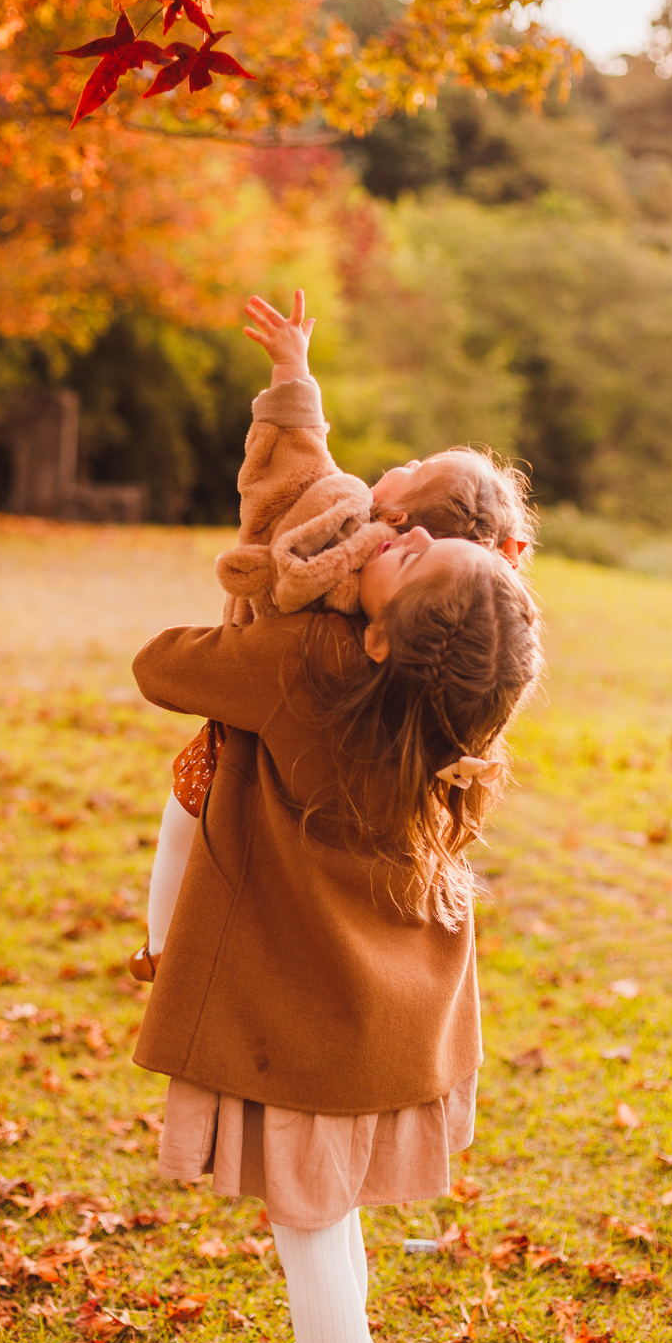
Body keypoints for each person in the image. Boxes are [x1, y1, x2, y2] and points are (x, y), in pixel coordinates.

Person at [130, 475, 543, 1343]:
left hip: (318, 1023)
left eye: (413, 552)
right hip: (382, 1016)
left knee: (310, 1227)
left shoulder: (311, 668)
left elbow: (161, 665)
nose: (399, 535)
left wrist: (289, 596)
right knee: (325, 1218)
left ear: (381, 639)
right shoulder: (439, 705)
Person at [132, 290, 534, 983]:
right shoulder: (446, 685)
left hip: (239, 800)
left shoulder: (312, 644)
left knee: (185, 820)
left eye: (414, 473)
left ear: (401, 526)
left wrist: (294, 376)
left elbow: (160, 664)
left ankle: (161, 950)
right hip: (352, 956)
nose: (398, 471)